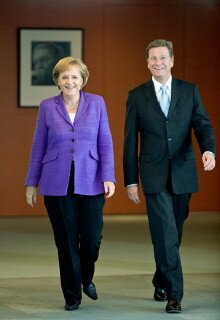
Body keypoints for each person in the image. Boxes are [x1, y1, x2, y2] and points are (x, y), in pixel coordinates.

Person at [123, 39, 216, 313]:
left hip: (183, 173)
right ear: (147, 62)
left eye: (162, 57)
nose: (158, 62)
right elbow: (130, 141)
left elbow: (202, 123)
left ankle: (160, 278)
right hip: (153, 174)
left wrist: (208, 150)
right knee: (165, 234)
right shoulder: (137, 95)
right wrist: (131, 180)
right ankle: (175, 294)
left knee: (173, 234)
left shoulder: (189, 91)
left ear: (172, 60)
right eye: (153, 58)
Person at [25, 57, 115, 311]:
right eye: (64, 77)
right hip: (56, 182)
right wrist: (31, 183)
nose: (69, 81)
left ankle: (85, 277)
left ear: (82, 79)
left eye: (74, 76)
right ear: (57, 80)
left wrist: (109, 176)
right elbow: (38, 146)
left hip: (91, 179)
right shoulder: (46, 107)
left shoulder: (97, 103)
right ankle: (72, 294)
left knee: (92, 238)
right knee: (65, 241)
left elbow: (105, 142)